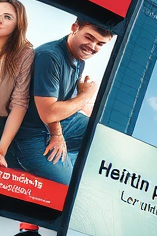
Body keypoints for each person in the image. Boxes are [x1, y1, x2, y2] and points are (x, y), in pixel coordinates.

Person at [9, 16, 112, 182]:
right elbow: (49, 113)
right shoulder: (49, 57)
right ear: (74, 28)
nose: (92, 47)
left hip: (59, 123)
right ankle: (55, 166)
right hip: (31, 135)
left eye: (100, 43)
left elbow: (59, 101)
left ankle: (66, 162)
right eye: (89, 37)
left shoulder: (78, 58)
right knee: (68, 184)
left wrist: (58, 132)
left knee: (102, 137)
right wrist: (86, 95)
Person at [0, 0, 32, 169]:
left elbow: (19, 104)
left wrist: (1, 150)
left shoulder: (24, 54)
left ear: (17, 25)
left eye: (7, 17)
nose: (0, 20)